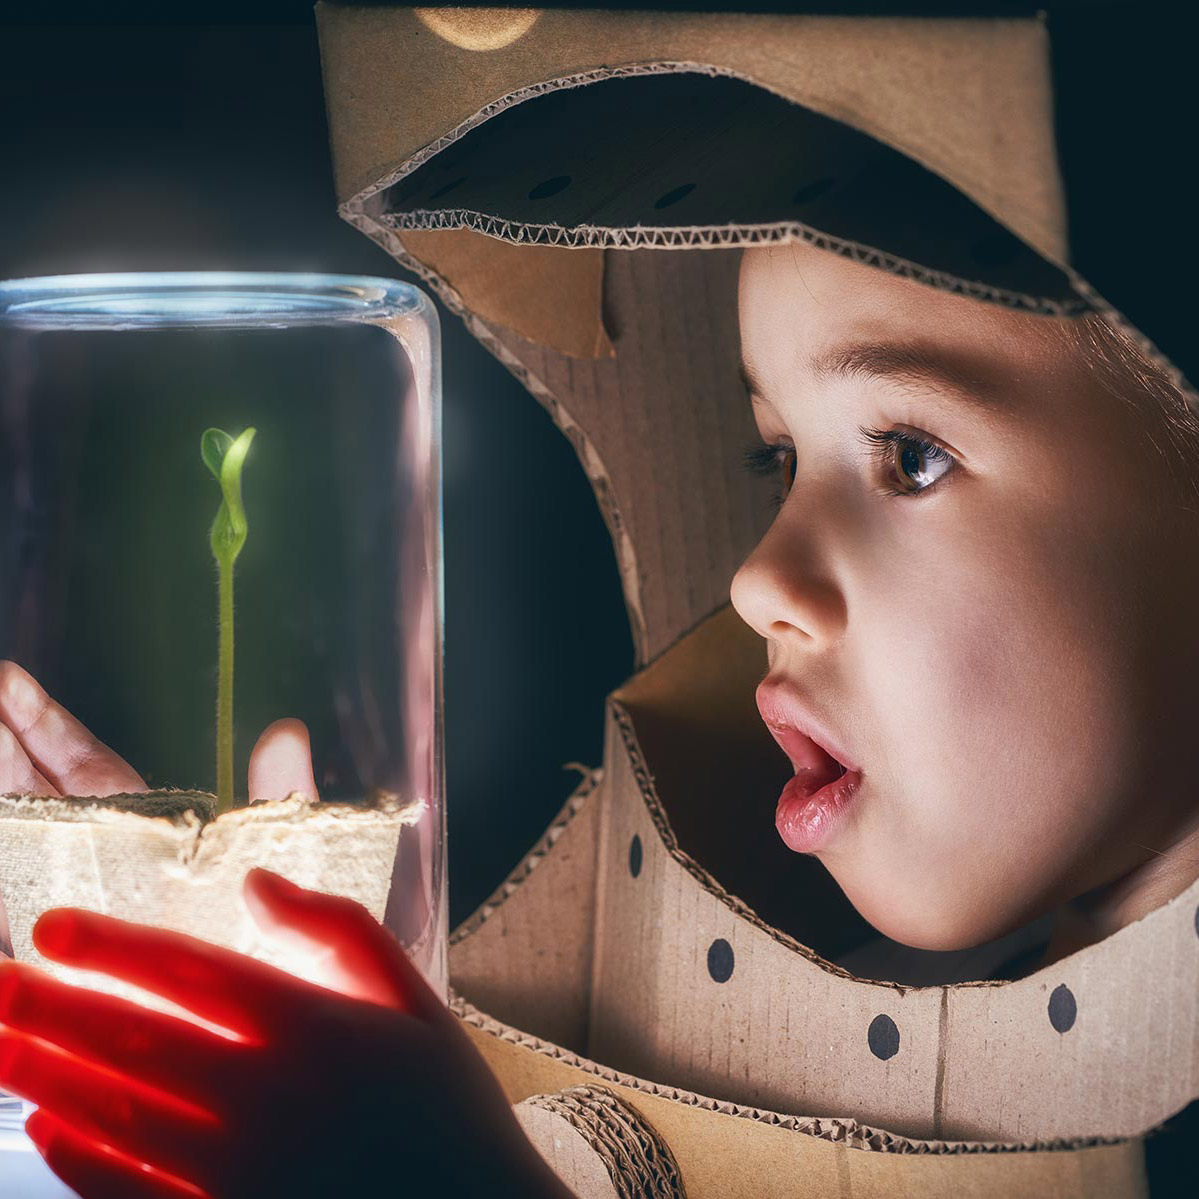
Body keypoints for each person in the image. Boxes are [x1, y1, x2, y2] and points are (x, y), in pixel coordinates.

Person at [3, 235, 1199, 1195]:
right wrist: (213, 968)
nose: (755, 582)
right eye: (777, 460)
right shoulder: (851, 1010)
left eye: (910, 456)